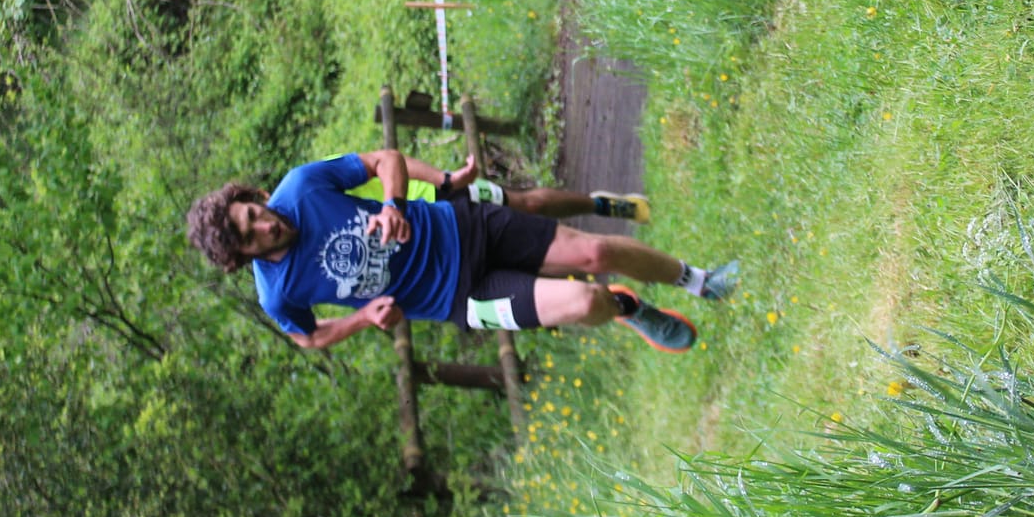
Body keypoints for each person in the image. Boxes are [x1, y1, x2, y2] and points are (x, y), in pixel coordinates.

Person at [185, 149, 737, 353]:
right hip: (461, 297)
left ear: (251, 199)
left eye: (252, 214)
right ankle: (628, 309)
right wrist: (363, 320)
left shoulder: (302, 187)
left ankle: (701, 280)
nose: (264, 226)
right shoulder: (276, 293)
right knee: (586, 305)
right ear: (245, 257)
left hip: (466, 226)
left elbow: (384, 160)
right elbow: (310, 337)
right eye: (251, 237)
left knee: (592, 254)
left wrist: (393, 204)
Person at [341, 151, 652, 224]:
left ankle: (601, 205)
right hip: (427, 237)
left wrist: (444, 179)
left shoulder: (308, 185)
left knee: (527, 206)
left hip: (434, 195)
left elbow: (388, 160)